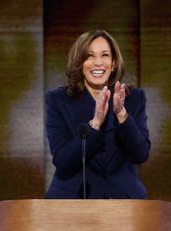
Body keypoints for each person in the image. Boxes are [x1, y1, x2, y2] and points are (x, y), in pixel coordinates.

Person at [45, 29, 151, 199]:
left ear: (114, 62)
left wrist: (121, 114)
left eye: (105, 55)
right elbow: (63, 161)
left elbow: (140, 154)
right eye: (89, 56)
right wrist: (95, 124)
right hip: (72, 200)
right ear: (80, 62)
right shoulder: (58, 100)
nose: (98, 63)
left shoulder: (134, 99)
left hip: (124, 203)